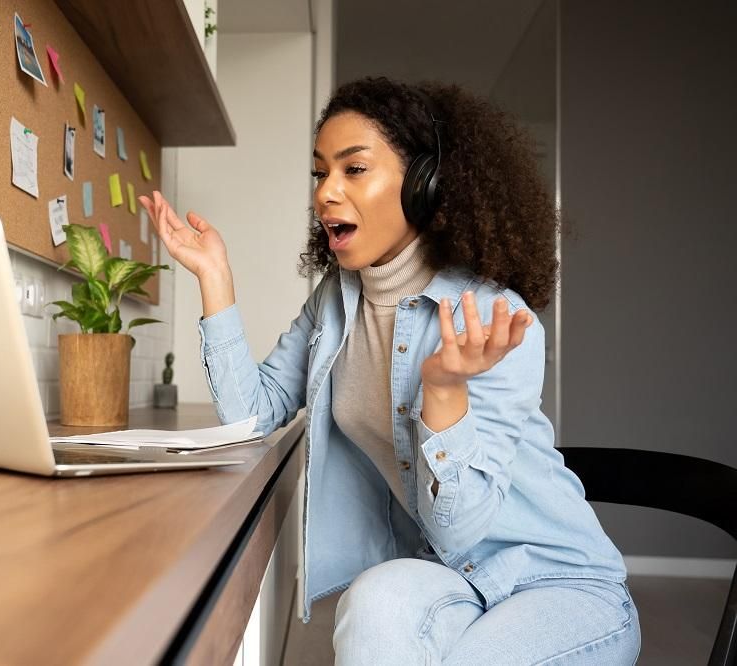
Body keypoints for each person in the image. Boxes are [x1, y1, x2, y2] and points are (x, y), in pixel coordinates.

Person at [138, 76, 640, 665]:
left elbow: (461, 528)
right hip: (449, 582)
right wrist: (214, 279)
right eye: (320, 172)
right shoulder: (336, 299)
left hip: (557, 583)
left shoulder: (492, 318)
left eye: (353, 170)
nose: (326, 192)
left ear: (424, 187)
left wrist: (444, 390)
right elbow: (254, 414)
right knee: (375, 600)